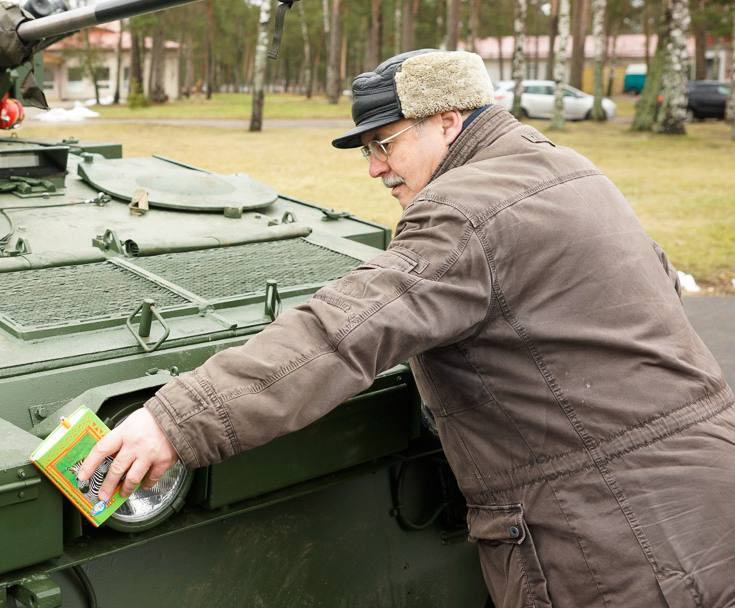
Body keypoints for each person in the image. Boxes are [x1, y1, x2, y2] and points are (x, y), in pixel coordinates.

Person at [78, 49, 735, 608]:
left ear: (447, 123)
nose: (373, 168)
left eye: (384, 143)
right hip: (706, 499)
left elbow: (340, 334)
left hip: (617, 545)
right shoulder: (572, 172)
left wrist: (175, 420)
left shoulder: (463, 209)